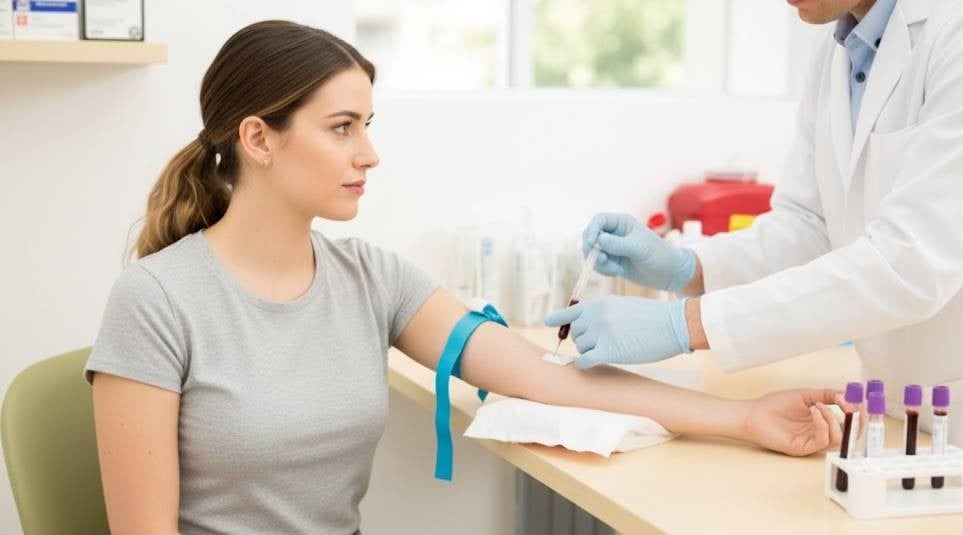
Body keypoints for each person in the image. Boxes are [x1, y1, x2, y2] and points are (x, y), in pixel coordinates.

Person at [87, 20, 846, 535]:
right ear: (258, 138)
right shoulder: (157, 302)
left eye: (368, 126)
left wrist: (740, 417)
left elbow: (549, 380)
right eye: (341, 127)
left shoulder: (371, 277)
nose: (368, 154)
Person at [547, 0, 963, 444]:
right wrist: (687, 266)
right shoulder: (837, 46)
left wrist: (684, 324)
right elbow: (811, 226)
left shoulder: (951, 33)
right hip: (896, 405)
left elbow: (911, 262)